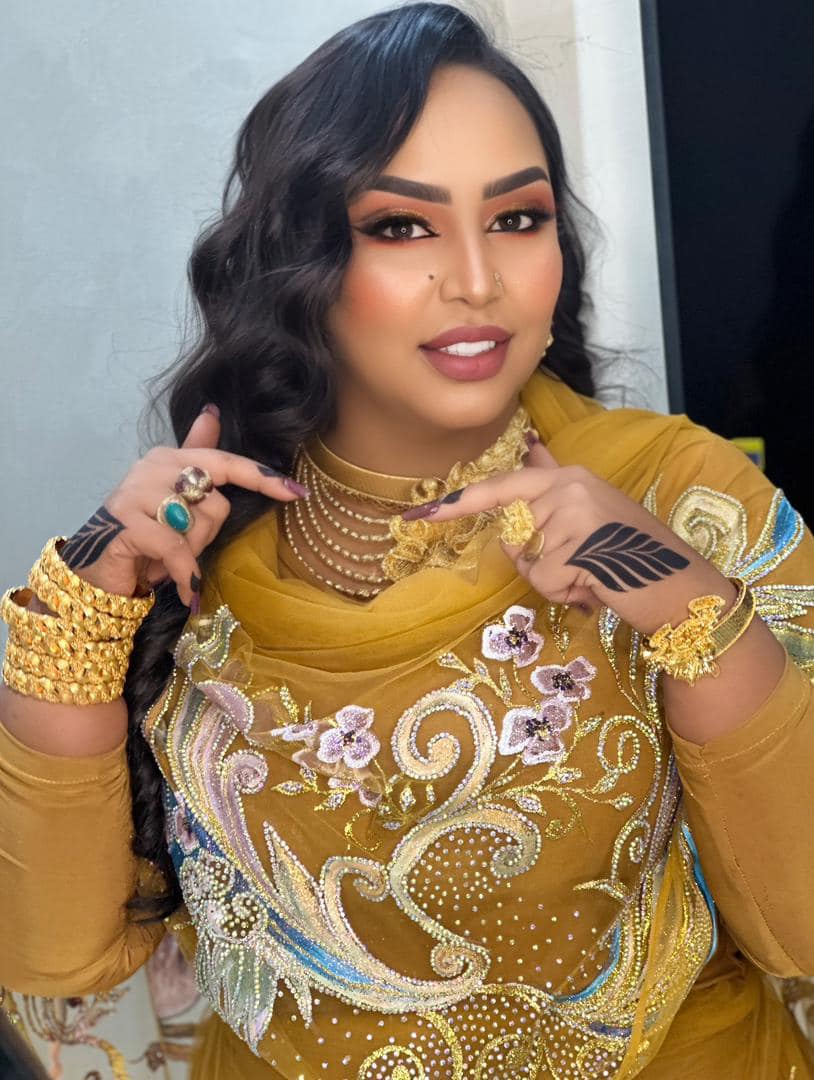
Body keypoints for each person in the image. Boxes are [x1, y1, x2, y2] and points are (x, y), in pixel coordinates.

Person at [1, 4, 813, 1077]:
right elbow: (57, 956)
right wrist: (82, 612)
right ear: (298, 260)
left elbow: (800, 926)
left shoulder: (680, 495)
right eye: (400, 226)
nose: (477, 278)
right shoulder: (192, 551)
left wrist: (678, 598)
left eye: (517, 218)